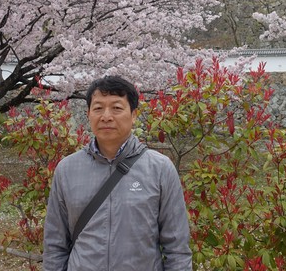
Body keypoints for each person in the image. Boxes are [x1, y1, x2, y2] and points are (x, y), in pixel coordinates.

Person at [43, 75, 192, 270]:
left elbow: (177, 248)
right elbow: (55, 245)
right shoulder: (67, 169)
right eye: (98, 108)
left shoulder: (160, 169)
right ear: (88, 114)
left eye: (116, 108)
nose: (106, 116)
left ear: (134, 115)